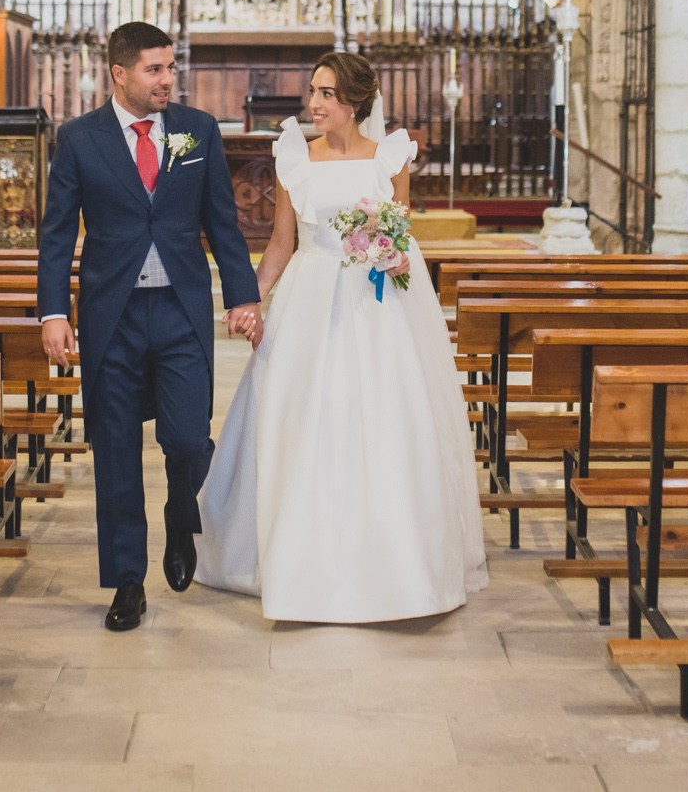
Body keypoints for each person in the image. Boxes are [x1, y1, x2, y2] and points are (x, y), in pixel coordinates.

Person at [195, 52, 488, 622]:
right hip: (309, 299)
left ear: (354, 102)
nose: (314, 104)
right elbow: (282, 243)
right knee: (302, 418)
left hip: (375, 306)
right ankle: (294, 556)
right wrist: (250, 298)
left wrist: (389, 249)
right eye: (313, 92)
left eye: (326, 94)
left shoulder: (389, 156)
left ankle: (391, 563)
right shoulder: (294, 159)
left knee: (379, 419)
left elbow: (399, 231)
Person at [37, 21, 264, 632]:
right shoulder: (80, 140)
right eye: (155, 70)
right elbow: (58, 234)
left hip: (180, 310)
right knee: (114, 452)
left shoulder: (197, 131)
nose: (169, 80)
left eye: (171, 68)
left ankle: (180, 511)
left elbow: (223, 223)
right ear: (120, 73)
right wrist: (54, 311)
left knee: (190, 438)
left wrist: (243, 296)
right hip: (112, 315)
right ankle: (128, 581)